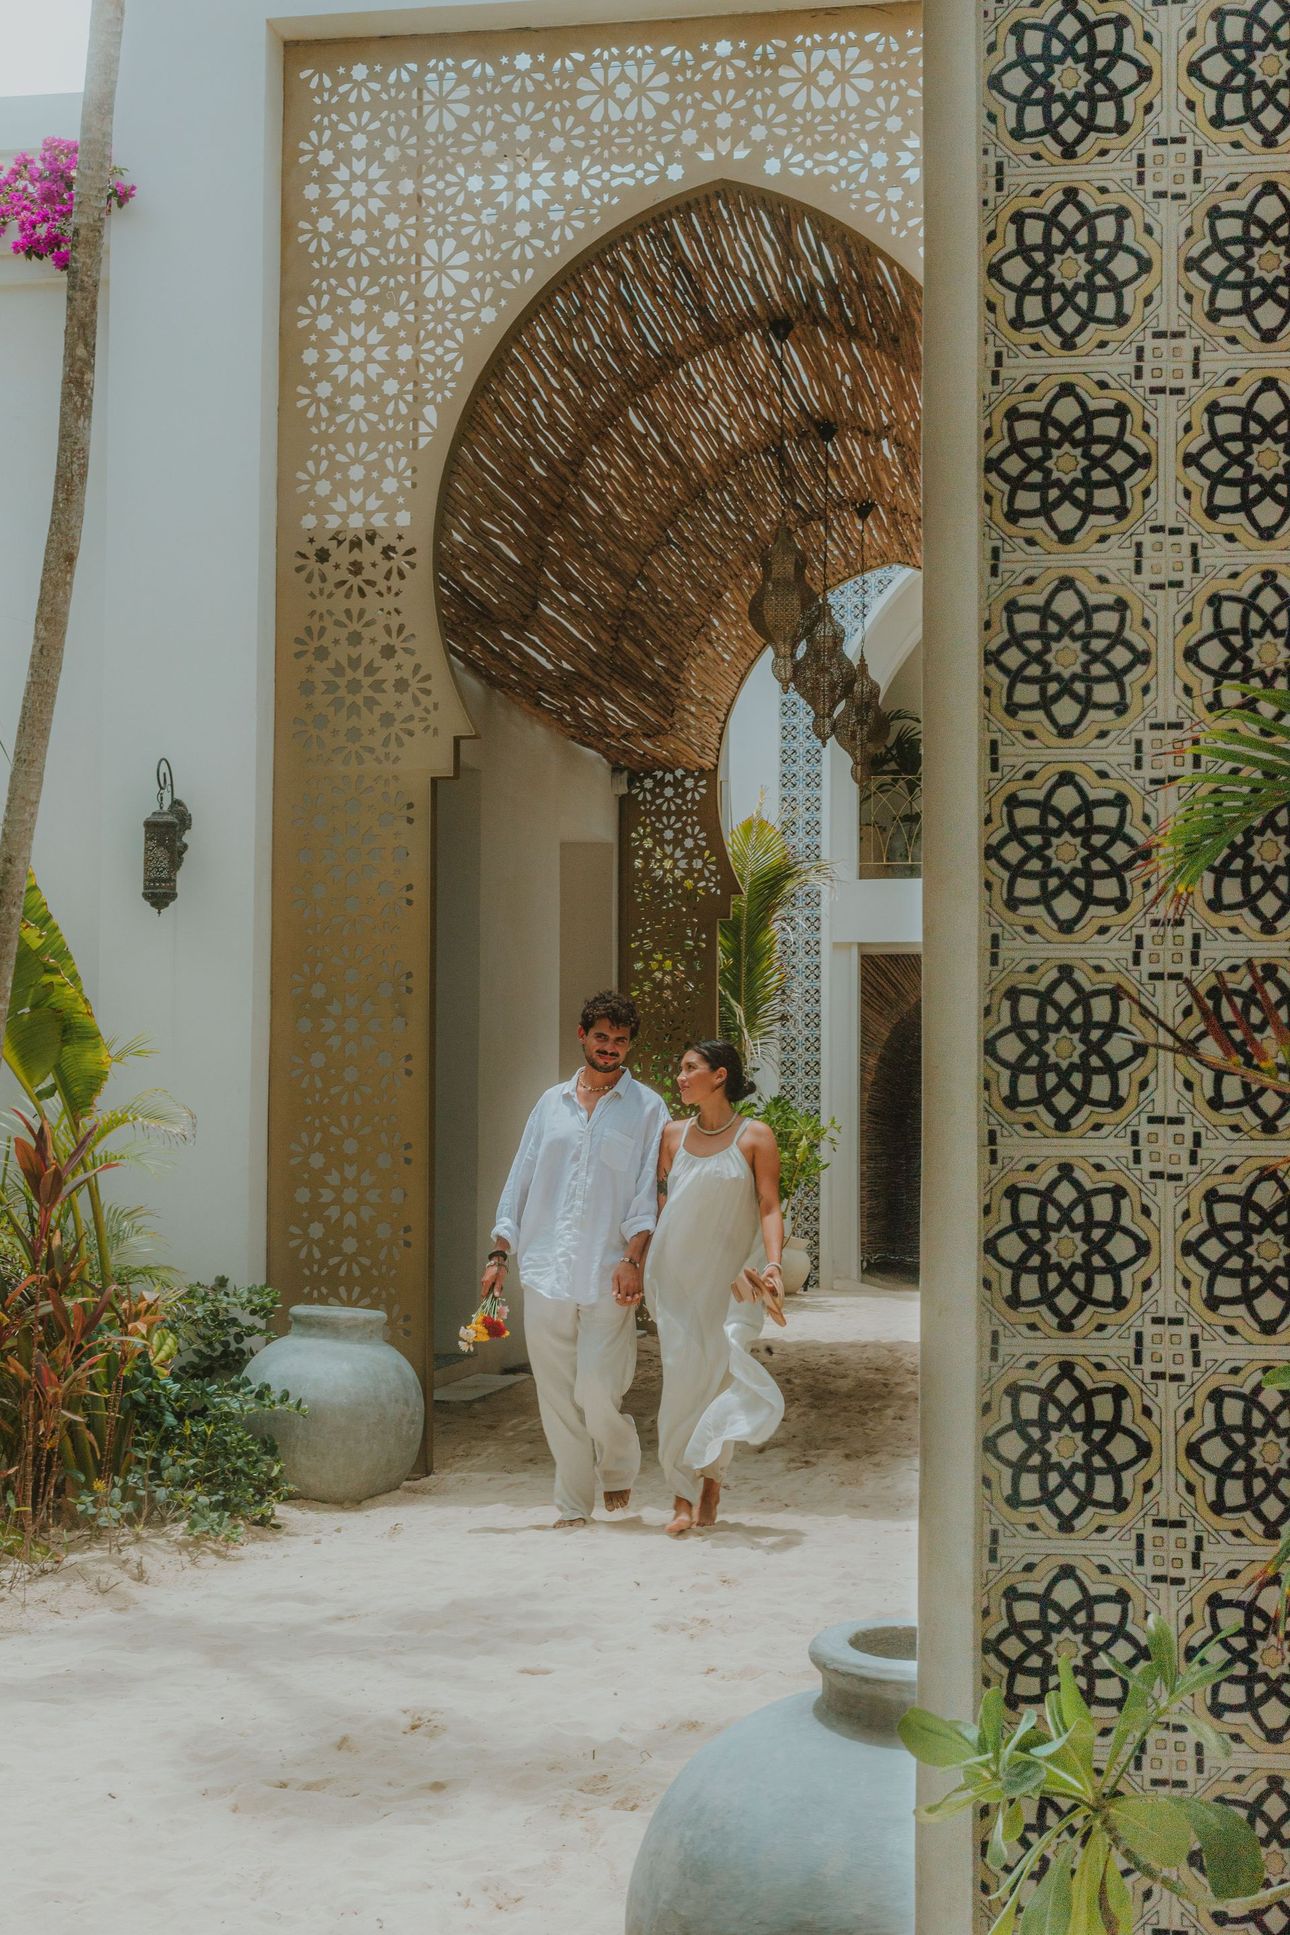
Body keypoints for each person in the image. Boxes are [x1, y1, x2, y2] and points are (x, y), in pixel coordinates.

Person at [483, 991, 670, 1528]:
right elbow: (521, 1178)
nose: (611, 1048)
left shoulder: (647, 1107)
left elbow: (645, 1191)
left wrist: (634, 1256)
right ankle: (571, 1503)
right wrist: (500, 1251)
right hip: (544, 1266)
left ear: (630, 1045)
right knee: (556, 1394)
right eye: (602, 1037)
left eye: (621, 1040)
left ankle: (618, 1457)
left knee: (594, 1387)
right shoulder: (550, 1104)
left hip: (609, 1269)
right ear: (582, 1035)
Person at [644, 1040, 786, 1537]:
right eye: (679, 1069)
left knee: (722, 1379)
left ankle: (711, 1481)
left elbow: (769, 1206)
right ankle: (681, 1495)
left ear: (719, 1075)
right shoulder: (671, 1136)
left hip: (732, 1282)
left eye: (690, 1069)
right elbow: (665, 1209)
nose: (680, 1078)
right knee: (681, 1384)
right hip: (678, 1278)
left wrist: (772, 1264)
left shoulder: (755, 1137)